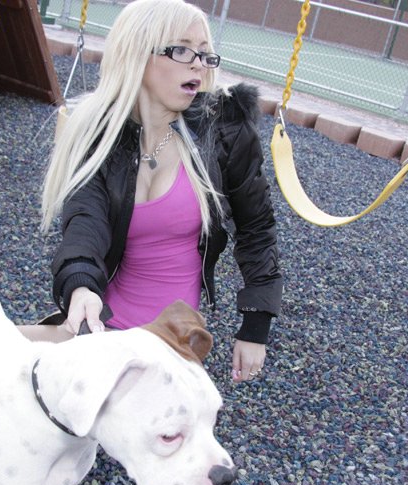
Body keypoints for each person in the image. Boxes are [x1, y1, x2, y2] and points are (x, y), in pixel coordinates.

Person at [21, 0, 282, 383]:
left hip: (169, 340)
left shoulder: (223, 131)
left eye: (204, 53)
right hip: (100, 324)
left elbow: (257, 228)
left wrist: (256, 326)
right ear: (137, 55)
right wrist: (81, 286)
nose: (198, 64)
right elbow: (84, 224)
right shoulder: (100, 136)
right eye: (182, 50)